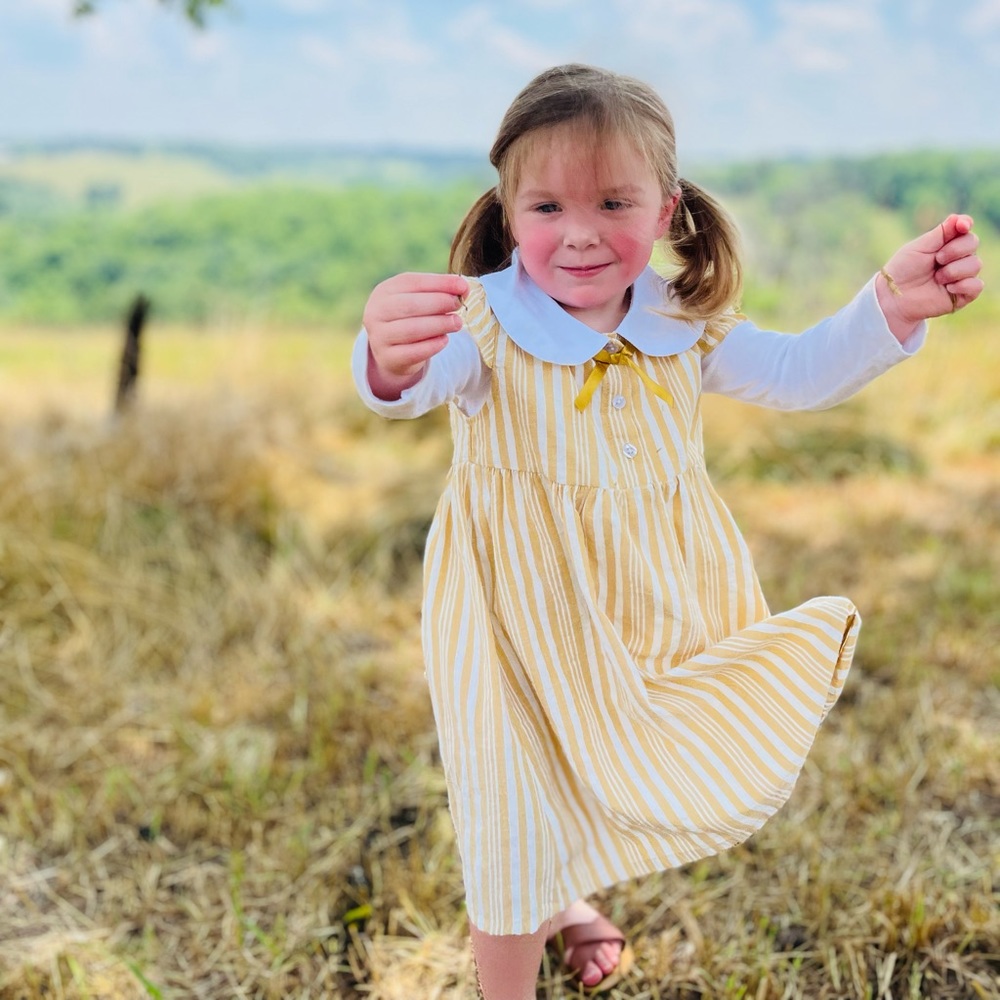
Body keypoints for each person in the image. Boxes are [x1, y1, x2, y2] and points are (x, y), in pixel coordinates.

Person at [352, 63, 983, 998]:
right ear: (508, 210)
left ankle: (568, 895)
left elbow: (801, 372)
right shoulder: (483, 323)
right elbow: (413, 390)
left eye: (614, 201)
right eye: (546, 207)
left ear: (665, 208)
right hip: (513, 612)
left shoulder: (685, 321)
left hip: (647, 600)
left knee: (600, 761)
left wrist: (889, 305)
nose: (578, 234)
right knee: (510, 804)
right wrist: (388, 358)